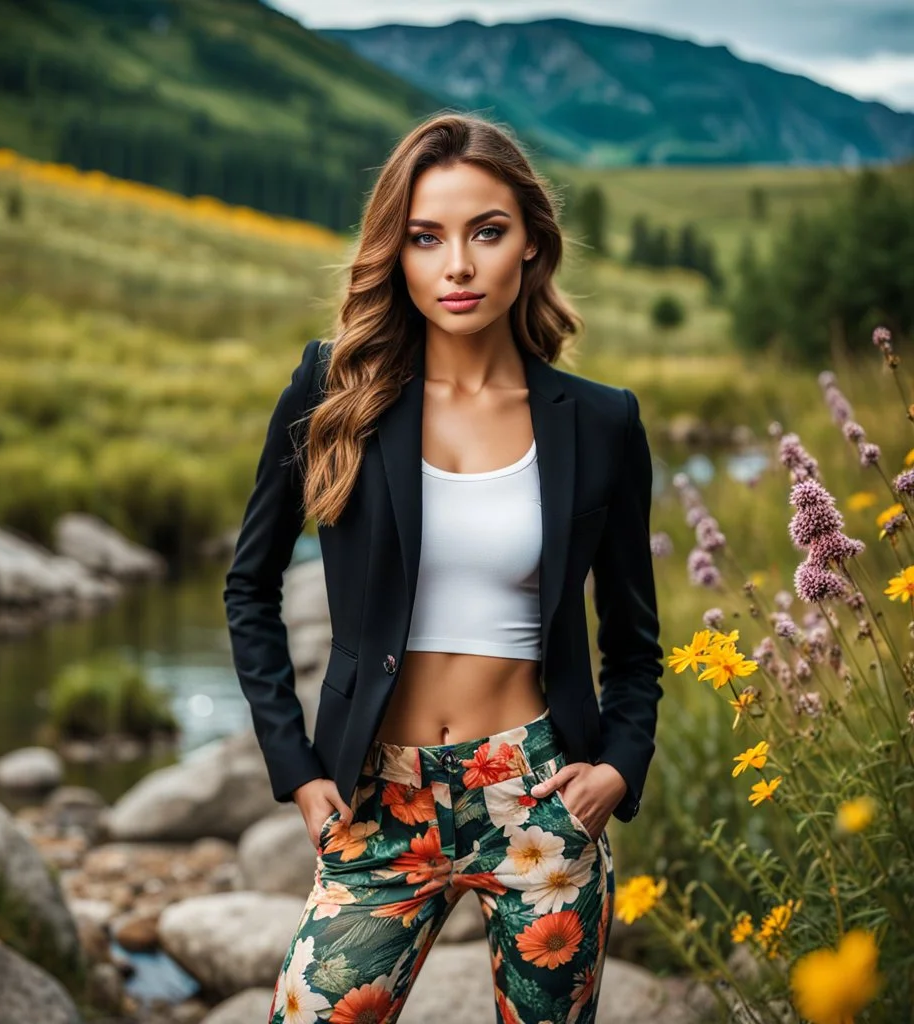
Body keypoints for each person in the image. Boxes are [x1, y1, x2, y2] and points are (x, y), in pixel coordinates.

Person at [223, 112, 664, 1024]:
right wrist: (298, 771)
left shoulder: (601, 422)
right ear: (398, 252)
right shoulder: (332, 389)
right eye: (426, 238)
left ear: (531, 246)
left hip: (541, 801)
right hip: (379, 800)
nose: (456, 266)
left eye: (485, 232)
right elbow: (249, 586)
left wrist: (619, 765)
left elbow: (633, 637)